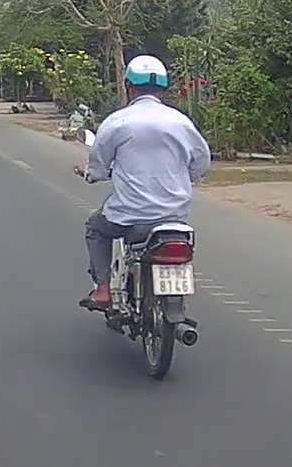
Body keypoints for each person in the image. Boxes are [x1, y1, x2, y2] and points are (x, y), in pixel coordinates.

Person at [76, 55, 211, 310]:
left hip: (129, 216)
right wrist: (187, 175)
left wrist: (92, 174)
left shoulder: (117, 122)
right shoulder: (181, 122)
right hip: (175, 215)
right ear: (163, 89)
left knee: (95, 228)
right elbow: (201, 163)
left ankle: (103, 289)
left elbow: (99, 165)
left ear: (129, 87)